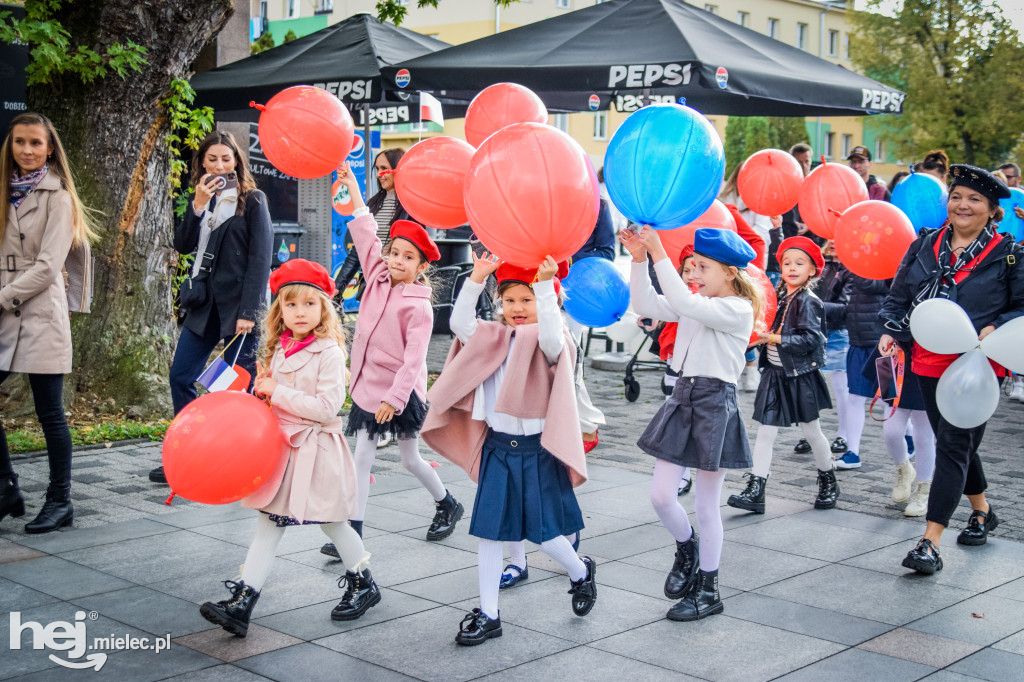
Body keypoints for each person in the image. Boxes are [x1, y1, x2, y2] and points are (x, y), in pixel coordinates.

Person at [422, 252, 597, 646]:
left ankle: (580, 570)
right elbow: (458, 323)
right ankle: (489, 613)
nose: (517, 308)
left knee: (546, 534)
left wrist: (545, 288)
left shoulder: (555, 340)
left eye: (526, 299)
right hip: (498, 449)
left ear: (543, 298)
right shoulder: (491, 335)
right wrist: (477, 277)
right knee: (490, 534)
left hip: (537, 451)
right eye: (509, 300)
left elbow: (551, 338)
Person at [199, 260, 379, 637]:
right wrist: (260, 395)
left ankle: (363, 582)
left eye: (309, 304)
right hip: (282, 452)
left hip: (316, 451)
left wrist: (277, 391)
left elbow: (327, 408)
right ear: (280, 309)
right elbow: (276, 400)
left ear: (323, 308)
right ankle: (243, 602)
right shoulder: (279, 347)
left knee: (334, 523)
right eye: (291, 304)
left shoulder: (329, 352)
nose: (300, 312)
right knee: (267, 526)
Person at [879, 164, 1024, 575]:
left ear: (993, 209)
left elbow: (1021, 306)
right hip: (926, 359)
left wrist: (998, 324)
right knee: (953, 442)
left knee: (955, 446)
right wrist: (890, 333)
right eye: (957, 195)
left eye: (975, 199)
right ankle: (982, 511)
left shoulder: (1009, 253)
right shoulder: (925, 245)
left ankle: (930, 541)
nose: (963, 204)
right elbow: (898, 297)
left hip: (977, 364)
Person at [321, 163, 462, 560]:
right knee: (362, 455)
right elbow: (365, 235)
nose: (396, 261)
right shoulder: (378, 276)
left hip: (400, 394)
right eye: (393, 252)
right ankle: (355, 531)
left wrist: (396, 400)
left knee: (409, 458)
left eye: (407, 257)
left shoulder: (419, 307)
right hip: (369, 388)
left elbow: (415, 362)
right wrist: (351, 188)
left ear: (422, 266)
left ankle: (447, 502)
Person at [621, 225, 762, 622]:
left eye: (702, 267)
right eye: (693, 266)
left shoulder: (735, 309)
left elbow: (684, 300)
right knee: (662, 497)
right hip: (683, 397)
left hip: (716, 405)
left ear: (730, 272)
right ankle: (687, 546)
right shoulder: (697, 302)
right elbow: (645, 302)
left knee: (705, 505)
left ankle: (709, 588)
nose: (694, 274)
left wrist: (659, 250)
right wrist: (638, 258)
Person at [152, 131, 272, 485]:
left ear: (236, 160)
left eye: (226, 158)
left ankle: (242, 459)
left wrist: (250, 311)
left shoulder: (253, 200)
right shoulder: (201, 199)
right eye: (212, 159)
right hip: (202, 306)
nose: (219, 165)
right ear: (201, 163)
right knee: (181, 376)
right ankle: (189, 451)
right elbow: (183, 244)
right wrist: (196, 206)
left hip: (239, 310)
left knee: (235, 388)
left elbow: (260, 259)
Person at [0, 112, 97, 534]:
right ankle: (6, 488)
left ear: (49, 148)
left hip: (39, 308)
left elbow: (47, 265)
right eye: (19, 141)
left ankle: (60, 501)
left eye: (35, 143)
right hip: (5, 305)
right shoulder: (2, 190)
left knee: (49, 412)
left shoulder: (59, 197)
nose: (26, 150)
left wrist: (3, 297)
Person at [728, 237, 839, 513]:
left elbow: (811, 340)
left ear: (813, 270)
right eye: (787, 262)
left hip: (801, 376)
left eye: (799, 263)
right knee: (766, 433)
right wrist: (758, 338)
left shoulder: (809, 302)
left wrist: (772, 338)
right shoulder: (779, 297)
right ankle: (757, 489)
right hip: (775, 374)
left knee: (812, 432)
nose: (791, 267)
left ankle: (828, 480)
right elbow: (766, 329)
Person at [793, 241, 853, 460]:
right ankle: (811, 433)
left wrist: (810, 304)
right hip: (814, 331)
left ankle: (844, 434)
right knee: (810, 385)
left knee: (841, 386)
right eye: (831, 237)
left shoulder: (852, 270)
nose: (836, 242)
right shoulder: (820, 267)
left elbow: (846, 308)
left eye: (841, 237)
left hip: (837, 333)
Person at [333, 148, 409, 297]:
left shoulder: (410, 206)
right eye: (377, 168)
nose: (379, 174)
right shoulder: (373, 204)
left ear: (398, 169)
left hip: (400, 286)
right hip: (373, 284)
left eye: (384, 168)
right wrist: (338, 287)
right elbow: (359, 250)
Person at [769, 143, 813, 284]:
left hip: (808, 251)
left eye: (807, 161)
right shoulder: (782, 187)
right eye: (800, 162)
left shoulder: (814, 188)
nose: (804, 166)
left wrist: (810, 225)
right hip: (785, 250)